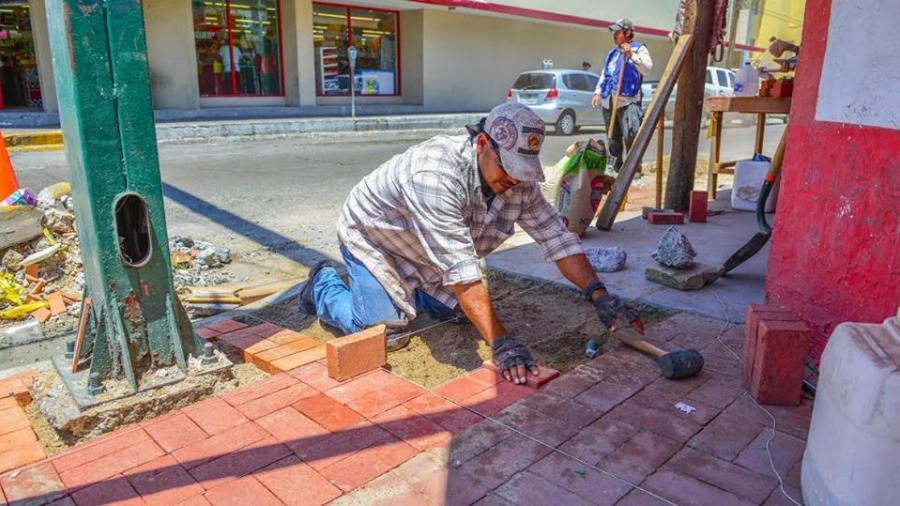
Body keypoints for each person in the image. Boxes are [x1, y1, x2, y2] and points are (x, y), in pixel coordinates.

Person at [300, 103, 644, 384]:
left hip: (429, 248)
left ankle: (415, 292)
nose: (515, 180)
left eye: (523, 169)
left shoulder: (518, 182)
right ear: (482, 144)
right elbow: (462, 270)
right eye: (508, 167)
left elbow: (557, 238)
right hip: (377, 237)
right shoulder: (435, 174)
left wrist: (600, 295)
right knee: (379, 331)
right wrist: (502, 342)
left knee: (451, 310)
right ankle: (323, 284)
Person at [591, 18, 653, 174]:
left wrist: (631, 55)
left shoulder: (639, 49)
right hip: (609, 101)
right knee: (612, 137)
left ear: (627, 32)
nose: (614, 35)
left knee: (631, 136)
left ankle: (634, 170)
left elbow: (647, 69)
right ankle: (615, 166)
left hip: (628, 102)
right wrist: (598, 92)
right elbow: (605, 74)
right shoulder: (613, 53)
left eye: (617, 33)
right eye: (614, 33)